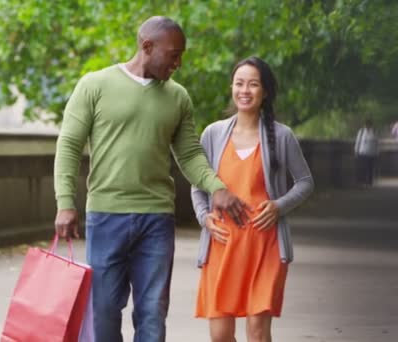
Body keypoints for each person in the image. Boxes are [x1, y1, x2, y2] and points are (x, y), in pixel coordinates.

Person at [54, 16, 247, 342]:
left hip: (156, 217)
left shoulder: (178, 97)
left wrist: (216, 188)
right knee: (103, 311)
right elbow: (69, 145)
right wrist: (65, 203)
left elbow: (188, 155)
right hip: (106, 216)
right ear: (147, 47)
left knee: (153, 312)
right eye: (173, 55)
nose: (178, 63)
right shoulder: (95, 85)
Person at [191, 56, 314, 342]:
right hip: (222, 246)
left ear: (265, 91)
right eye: (239, 83)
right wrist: (203, 217)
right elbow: (198, 184)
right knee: (220, 336)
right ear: (232, 88)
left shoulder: (282, 136)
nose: (245, 91)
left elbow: (306, 182)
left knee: (258, 333)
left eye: (253, 84)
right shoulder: (213, 133)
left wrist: (279, 205)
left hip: (265, 245)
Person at [354, 119, 378, 186]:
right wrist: (356, 151)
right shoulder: (361, 132)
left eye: (369, 125)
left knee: (370, 168)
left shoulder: (374, 131)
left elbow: (376, 143)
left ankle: (370, 181)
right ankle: (363, 181)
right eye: (367, 125)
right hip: (362, 152)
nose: (368, 126)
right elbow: (358, 141)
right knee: (363, 167)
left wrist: (377, 152)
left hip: (371, 153)